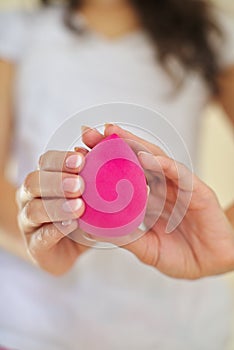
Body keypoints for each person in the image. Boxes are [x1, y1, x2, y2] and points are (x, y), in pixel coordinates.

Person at [0, 0, 234, 349]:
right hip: (34, 324)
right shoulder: (19, 32)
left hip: (182, 329)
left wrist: (224, 242)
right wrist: (31, 236)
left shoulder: (213, 33)